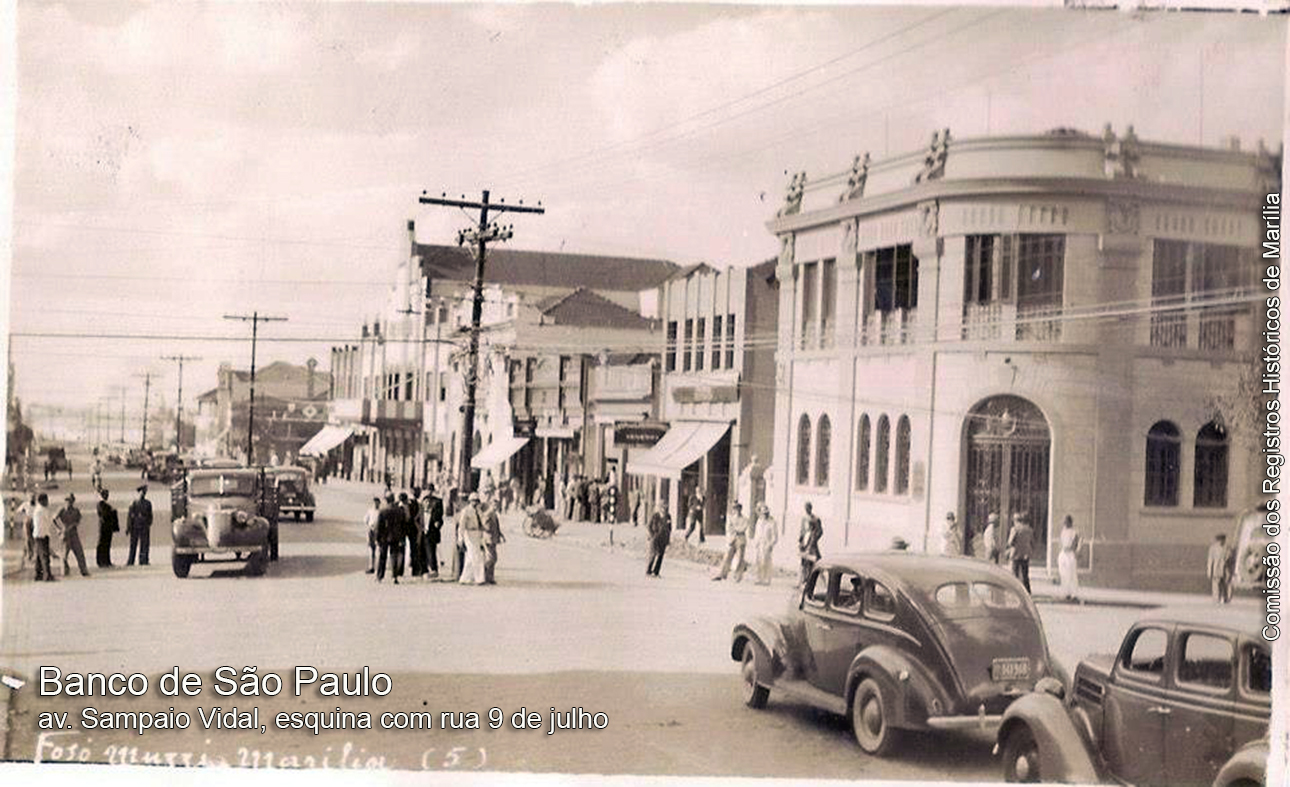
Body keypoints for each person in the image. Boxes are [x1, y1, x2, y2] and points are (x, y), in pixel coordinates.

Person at [714, 502, 751, 582]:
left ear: (741, 509)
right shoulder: (731, 518)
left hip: (741, 540)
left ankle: (737, 576)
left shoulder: (745, 519)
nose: (736, 510)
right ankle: (722, 574)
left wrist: (736, 529)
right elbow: (729, 528)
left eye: (738, 509)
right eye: (735, 509)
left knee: (740, 558)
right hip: (732, 539)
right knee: (727, 556)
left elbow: (743, 528)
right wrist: (735, 530)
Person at [56, 493, 91, 577]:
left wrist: (74, 525)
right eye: (67, 500)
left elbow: (78, 520)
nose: (69, 502)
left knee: (79, 552)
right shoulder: (61, 510)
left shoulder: (76, 511)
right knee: (64, 555)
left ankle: (83, 570)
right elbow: (54, 519)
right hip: (64, 534)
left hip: (74, 534)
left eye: (70, 500)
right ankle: (64, 571)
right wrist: (59, 529)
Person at [457, 492, 486, 585]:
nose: (475, 503)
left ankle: (465, 578)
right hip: (469, 533)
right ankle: (479, 578)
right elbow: (461, 526)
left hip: (477, 533)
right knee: (476, 557)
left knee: (470, 557)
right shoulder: (466, 511)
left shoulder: (479, 511)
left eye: (477, 501)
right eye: (473, 500)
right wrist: (460, 538)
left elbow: (482, 522)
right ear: (470, 501)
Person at [750, 503, 779, 585]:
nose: (764, 515)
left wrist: (770, 544)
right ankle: (759, 578)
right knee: (758, 561)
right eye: (763, 513)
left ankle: (766, 579)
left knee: (766, 562)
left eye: (766, 513)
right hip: (759, 544)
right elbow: (757, 533)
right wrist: (755, 543)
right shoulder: (759, 521)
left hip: (767, 544)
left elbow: (775, 536)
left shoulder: (772, 522)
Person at [1007, 513, 1034, 594]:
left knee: (1015, 574)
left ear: (1015, 521)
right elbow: (1032, 542)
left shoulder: (1015, 529)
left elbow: (1010, 542)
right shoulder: (1029, 530)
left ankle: (1015, 591)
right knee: (1025, 574)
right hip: (1025, 555)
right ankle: (1027, 591)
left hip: (1016, 554)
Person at [31, 492, 56, 582]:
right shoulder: (42, 510)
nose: (47, 502)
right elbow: (50, 519)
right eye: (46, 500)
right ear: (42, 501)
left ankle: (38, 575)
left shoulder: (38, 509)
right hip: (42, 535)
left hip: (37, 535)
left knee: (38, 556)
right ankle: (47, 575)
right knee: (45, 556)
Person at [126, 484, 152, 566]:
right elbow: (130, 515)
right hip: (135, 526)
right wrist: (129, 527)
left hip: (144, 526)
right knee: (133, 544)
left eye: (144, 492)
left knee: (144, 544)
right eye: (141, 492)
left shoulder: (148, 503)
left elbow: (150, 515)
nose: (142, 494)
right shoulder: (134, 503)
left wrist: (148, 523)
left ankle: (143, 560)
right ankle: (131, 560)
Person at [798, 502, 823, 585]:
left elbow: (820, 531)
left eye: (808, 508)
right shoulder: (804, 518)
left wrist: (814, 538)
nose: (807, 510)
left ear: (811, 508)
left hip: (812, 543)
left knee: (814, 561)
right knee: (803, 561)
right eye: (806, 508)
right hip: (805, 541)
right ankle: (803, 580)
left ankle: (818, 580)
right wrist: (800, 541)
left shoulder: (815, 519)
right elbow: (802, 530)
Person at [1057, 515, 1081, 602]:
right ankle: (1066, 592)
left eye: (1066, 521)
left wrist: (1072, 549)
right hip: (1063, 553)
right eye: (1064, 522)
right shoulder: (1063, 532)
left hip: (1070, 554)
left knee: (1072, 574)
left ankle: (1074, 594)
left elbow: (1075, 544)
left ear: (1070, 522)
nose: (1065, 523)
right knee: (1063, 574)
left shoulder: (1074, 532)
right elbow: (1061, 543)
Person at [482, 498, 505, 585]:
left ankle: (490, 577)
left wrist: (500, 534)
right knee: (491, 558)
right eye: (494, 505)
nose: (496, 507)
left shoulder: (494, 514)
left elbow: (497, 526)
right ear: (490, 505)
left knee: (493, 558)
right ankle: (485, 575)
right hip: (488, 538)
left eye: (497, 505)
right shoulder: (488, 513)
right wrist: (490, 529)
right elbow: (485, 525)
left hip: (493, 538)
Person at [423, 485, 443, 579]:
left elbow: (440, 517)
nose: (429, 492)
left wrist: (438, 523)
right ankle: (424, 569)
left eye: (430, 490)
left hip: (432, 530)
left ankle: (433, 569)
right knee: (422, 550)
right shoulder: (423, 500)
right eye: (427, 490)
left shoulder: (438, 501)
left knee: (431, 550)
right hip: (423, 528)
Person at [95, 489, 119, 568]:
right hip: (103, 527)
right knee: (102, 544)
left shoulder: (106, 504)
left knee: (107, 544)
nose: (107, 496)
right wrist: (112, 512)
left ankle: (107, 561)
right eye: (105, 495)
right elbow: (104, 515)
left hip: (108, 527)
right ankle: (100, 562)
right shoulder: (100, 504)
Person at [646, 502, 671, 578]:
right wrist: (652, 535)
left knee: (660, 555)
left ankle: (656, 572)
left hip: (663, 538)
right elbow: (649, 526)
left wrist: (668, 539)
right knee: (653, 554)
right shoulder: (655, 516)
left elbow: (670, 528)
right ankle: (648, 571)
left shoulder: (668, 516)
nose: (664, 510)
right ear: (660, 508)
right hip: (655, 538)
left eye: (665, 508)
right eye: (663, 508)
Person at [1207, 533, 1232, 603]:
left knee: (1226, 585)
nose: (1220, 542)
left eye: (1222, 540)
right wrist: (1209, 570)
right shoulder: (1213, 548)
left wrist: (1228, 557)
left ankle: (1226, 599)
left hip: (1225, 570)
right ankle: (1216, 599)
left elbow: (1230, 558)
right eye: (1219, 540)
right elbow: (1210, 560)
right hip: (1216, 569)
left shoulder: (1227, 548)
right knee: (1215, 585)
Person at [407, 489, 426, 578]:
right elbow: (421, 519)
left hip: (409, 529)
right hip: (416, 529)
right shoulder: (419, 505)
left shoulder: (408, 504)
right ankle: (416, 570)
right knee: (416, 549)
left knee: (412, 549)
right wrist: (421, 528)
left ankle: (411, 567)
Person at [363, 496, 381, 574]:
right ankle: (371, 566)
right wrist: (370, 526)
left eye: (377, 503)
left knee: (379, 549)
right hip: (371, 530)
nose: (375, 505)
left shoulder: (380, 512)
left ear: (379, 504)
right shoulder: (370, 511)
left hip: (379, 531)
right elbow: (365, 520)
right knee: (371, 549)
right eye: (374, 503)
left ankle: (379, 566)